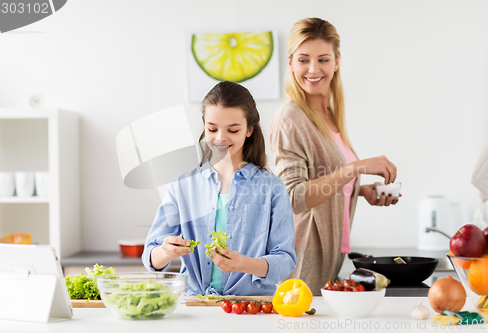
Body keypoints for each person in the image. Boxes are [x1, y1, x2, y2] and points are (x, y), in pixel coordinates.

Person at [269, 18, 399, 295]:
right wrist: (355, 168)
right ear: (290, 62)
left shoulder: (328, 113)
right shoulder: (290, 118)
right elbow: (294, 198)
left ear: (337, 61)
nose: (313, 69)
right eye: (303, 59)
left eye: (323, 59)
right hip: (301, 257)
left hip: (328, 255)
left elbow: (324, 181)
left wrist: (360, 190)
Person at [142, 81, 296, 296]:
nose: (220, 138)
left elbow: (286, 260)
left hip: (250, 307)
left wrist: (243, 263)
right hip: (195, 306)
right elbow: (150, 259)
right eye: (212, 129)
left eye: (233, 130)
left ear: (250, 129)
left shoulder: (271, 188)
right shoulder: (182, 187)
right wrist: (166, 251)